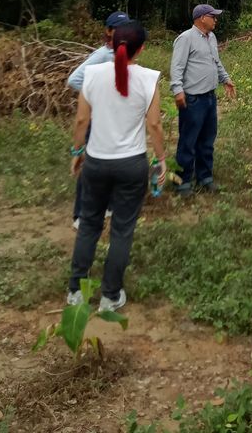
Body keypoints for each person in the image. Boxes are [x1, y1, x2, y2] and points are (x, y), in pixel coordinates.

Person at [67, 20, 166, 312]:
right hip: (131, 166)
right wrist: (161, 161)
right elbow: (155, 125)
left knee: (89, 226)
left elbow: (82, 120)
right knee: (122, 230)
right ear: (143, 48)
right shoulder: (149, 78)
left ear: (110, 42)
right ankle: (110, 296)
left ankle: (76, 292)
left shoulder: (93, 74)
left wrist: (77, 151)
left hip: (96, 163)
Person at [67, 10, 130, 228]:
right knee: (92, 166)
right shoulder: (103, 54)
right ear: (109, 31)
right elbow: (74, 79)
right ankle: (81, 215)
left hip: (113, 120)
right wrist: (96, 97)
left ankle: (108, 206)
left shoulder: (122, 54)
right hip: (97, 119)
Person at [170, 3, 236, 195]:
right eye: (213, 16)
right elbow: (177, 67)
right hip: (192, 99)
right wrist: (178, 91)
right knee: (188, 141)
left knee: (207, 140)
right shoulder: (185, 39)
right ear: (201, 18)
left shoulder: (212, 37)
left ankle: (204, 178)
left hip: (209, 98)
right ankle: (182, 182)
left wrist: (226, 79)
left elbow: (216, 62)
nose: (216, 19)